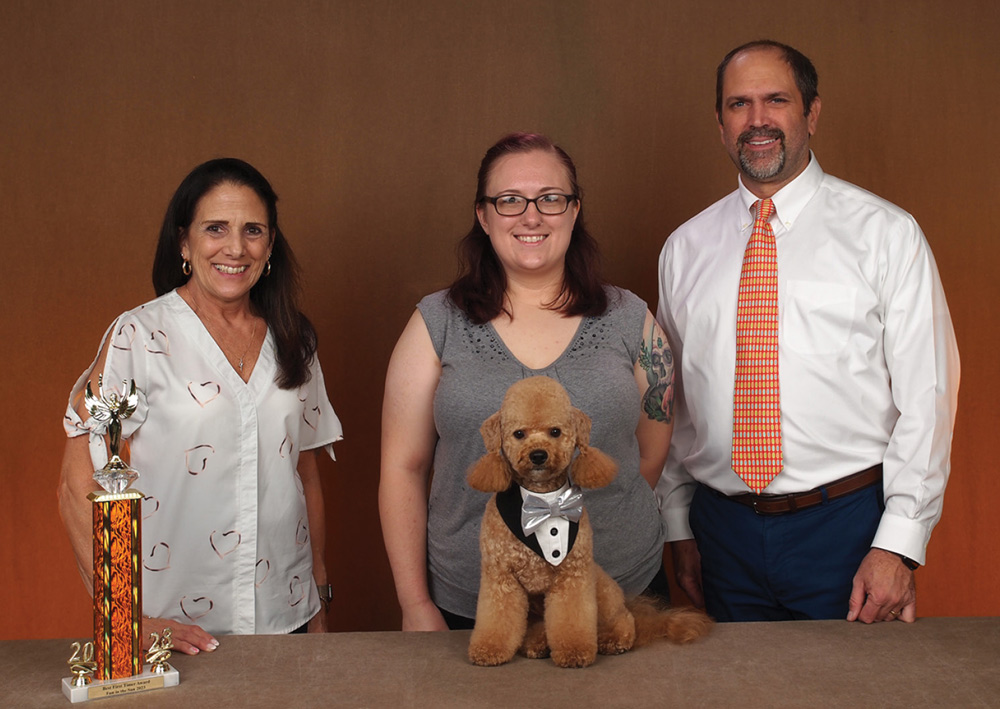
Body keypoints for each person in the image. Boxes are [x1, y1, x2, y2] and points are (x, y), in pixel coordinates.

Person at [656, 40, 960, 623]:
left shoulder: (886, 235)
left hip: (845, 528)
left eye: (777, 100)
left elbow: (929, 397)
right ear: (721, 124)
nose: (758, 120)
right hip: (721, 531)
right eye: (739, 104)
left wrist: (898, 543)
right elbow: (675, 405)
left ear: (811, 113)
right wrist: (677, 525)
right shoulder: (684, 249)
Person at [380, 133, 674, 630]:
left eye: (550, 199)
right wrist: (414, 604)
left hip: (617, 592)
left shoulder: (632, 319)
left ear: (574, 210)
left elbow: (649, 454)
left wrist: (576, 518)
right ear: (484, 215)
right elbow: (402, 469)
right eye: (509, 200)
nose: (530, 216)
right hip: (474, 601)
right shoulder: (436, 324)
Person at [58, 158, 343, 654]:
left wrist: (318, 597)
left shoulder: (295, 338)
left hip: (286, 617)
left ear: (270, 245)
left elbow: (307, 473)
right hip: (177, 632)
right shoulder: (138, 337)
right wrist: (123, 617)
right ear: (185, 243)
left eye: (252, 230)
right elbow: (76, 484)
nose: (236, 248)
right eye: (216, 228)